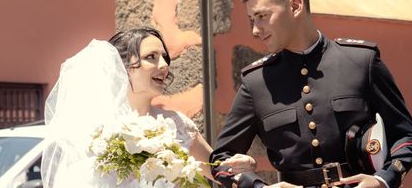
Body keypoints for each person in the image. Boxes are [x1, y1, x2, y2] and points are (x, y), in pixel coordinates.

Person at [210, 0, 412, 188]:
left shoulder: (361, 62)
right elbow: (220, 160)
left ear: (295, 6)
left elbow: (405, 136)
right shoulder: (256, 82)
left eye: (262, 16)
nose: (254, 29)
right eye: (252, 19)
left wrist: (383, 180)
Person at [41, 27, 255, 188]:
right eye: (150, 57)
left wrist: (242, 166)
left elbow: (218, 170)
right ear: (123, 66)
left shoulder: (177, 124)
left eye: (164, 57)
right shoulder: (97, 132)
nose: (164, 65)